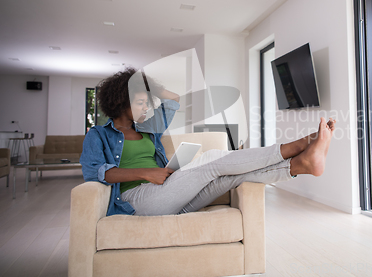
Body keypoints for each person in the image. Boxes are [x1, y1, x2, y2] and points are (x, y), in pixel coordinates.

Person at [81, 68, 336, 216]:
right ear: (120, 103)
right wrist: (146, 173)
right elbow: (94, 172)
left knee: (229, 179)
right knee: (213, 160)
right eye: (139, 102)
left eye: (147, 101)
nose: (146, 107)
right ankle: (294, 146)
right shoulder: (99, 135)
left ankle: (300, 165)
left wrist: (146, 85)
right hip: (136, 200)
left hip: (170, 197)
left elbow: (173, 100)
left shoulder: (149, 130)